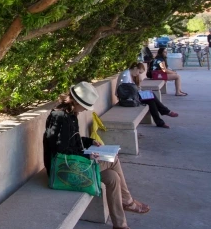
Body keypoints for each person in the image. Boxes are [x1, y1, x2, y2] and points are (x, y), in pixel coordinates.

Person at [43, 82, 150, 229]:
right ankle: (127, 201)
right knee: (113, 160)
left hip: (74, 164)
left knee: (113, 177)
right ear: (76, 101)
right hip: (62, 171)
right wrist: (88, 157)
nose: (86, 109)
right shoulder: (60, 117)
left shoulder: (70, 113)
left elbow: (71, 141)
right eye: (85, 106)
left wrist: (90, 142)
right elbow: (61, 151)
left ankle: (120, 225)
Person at [119, 62, 178, 128]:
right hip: (128, 99)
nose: (138, 74)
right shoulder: (125, 75)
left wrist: (138, 88)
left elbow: (131, 89)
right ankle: (165, 111)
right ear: (135, 68)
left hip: (133, 97)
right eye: (139, 72)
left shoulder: (130, 74)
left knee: (151, 100)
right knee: (150, 94)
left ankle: (160, 122)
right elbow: (124, 91)